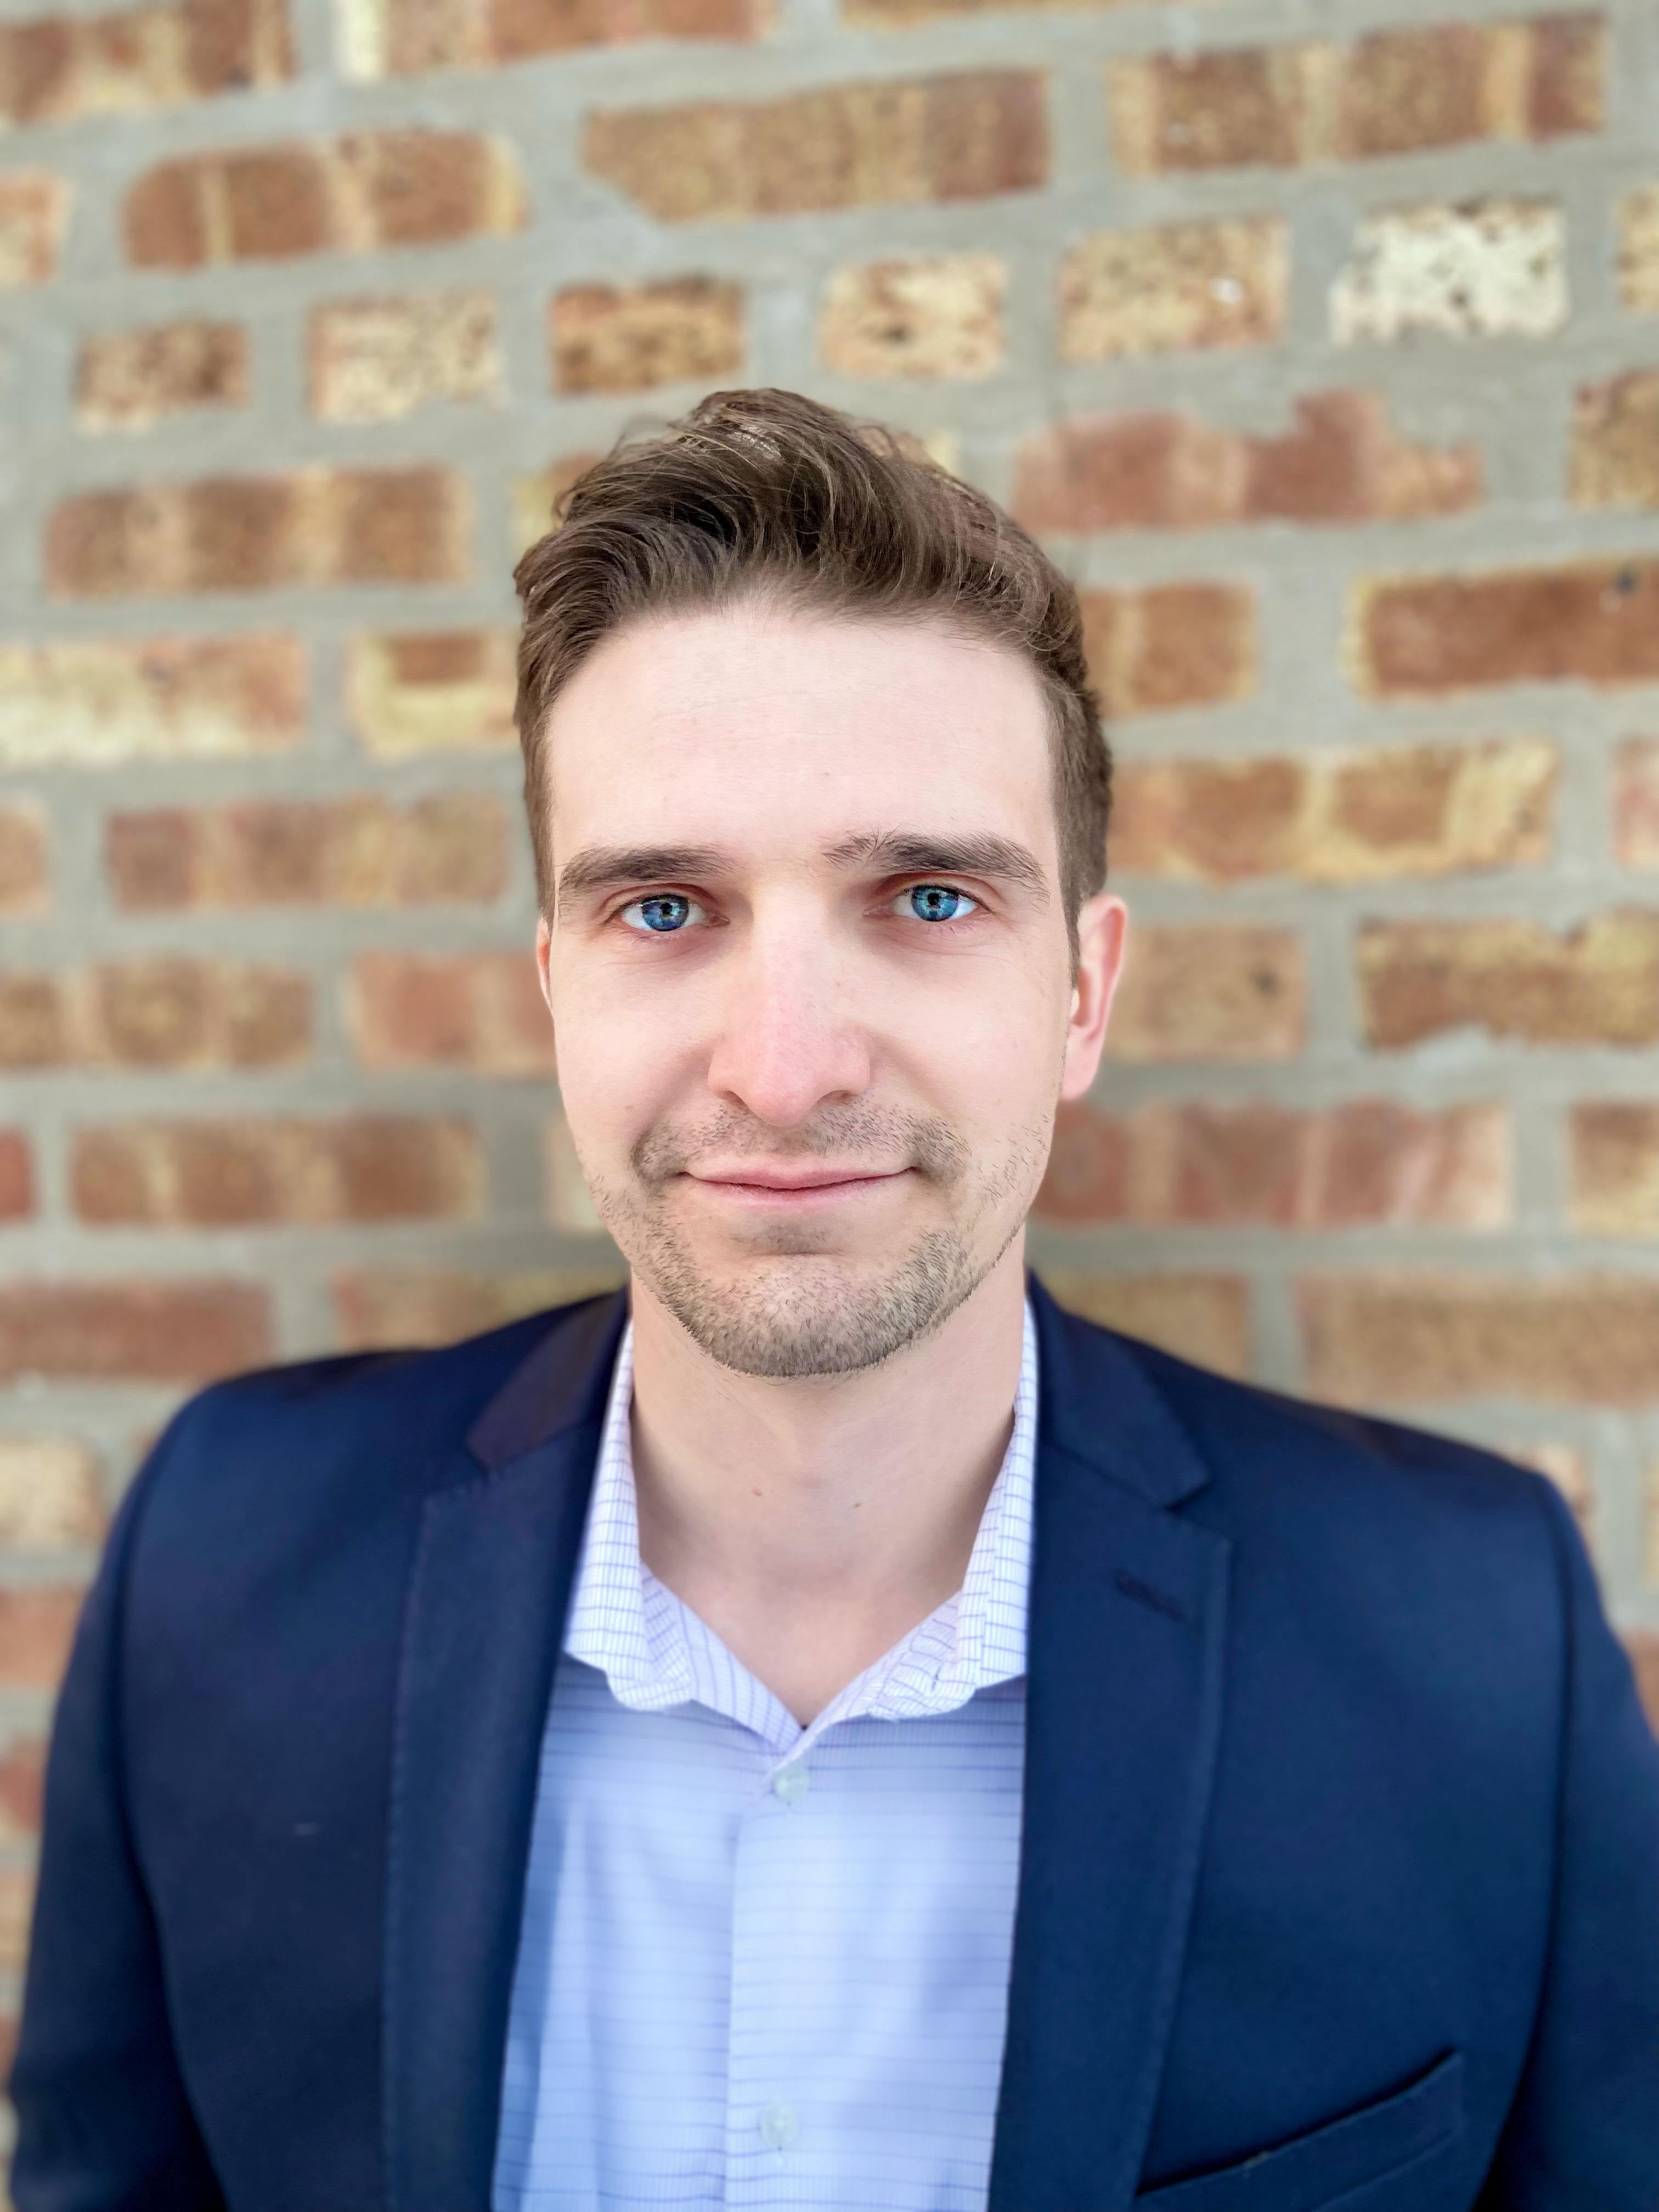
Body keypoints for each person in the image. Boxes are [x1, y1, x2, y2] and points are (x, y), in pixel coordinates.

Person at [10, 388, 1658, 2212]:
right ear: (553, 984)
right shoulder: (223, 1559)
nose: (786, 1071)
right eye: (664, 910)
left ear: (1085, 994)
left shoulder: (1470, 1638)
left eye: (930, 897)